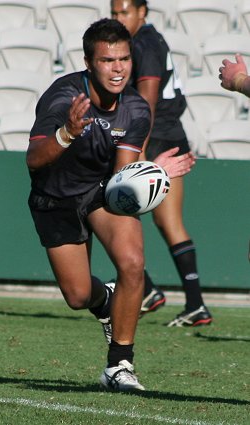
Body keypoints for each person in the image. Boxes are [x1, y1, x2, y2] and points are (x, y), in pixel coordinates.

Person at [26, 18, 195, 392]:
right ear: (89, 63)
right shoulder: (62, 97)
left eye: (124, 59)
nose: (118, 68)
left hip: (100, 191)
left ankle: (119, 364)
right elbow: (34, 159)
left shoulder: (135, 109)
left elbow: (123, 177)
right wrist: (67, 133)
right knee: (77, 296)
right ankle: (105, 300)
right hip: (55, 196)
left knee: (133, 262)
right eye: (107, 60)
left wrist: (154, 172)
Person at [111, 0, 213, 327]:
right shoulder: (147, 40)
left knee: (115, 208)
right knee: (164, 222)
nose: (118, 18)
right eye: (114, 12)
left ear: (143, 12)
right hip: (169, 135)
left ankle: (153, 291)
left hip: (157, 137)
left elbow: (148, 97)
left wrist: (137, 147)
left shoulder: (143, 43)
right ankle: (190, 303)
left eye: (124, 11)